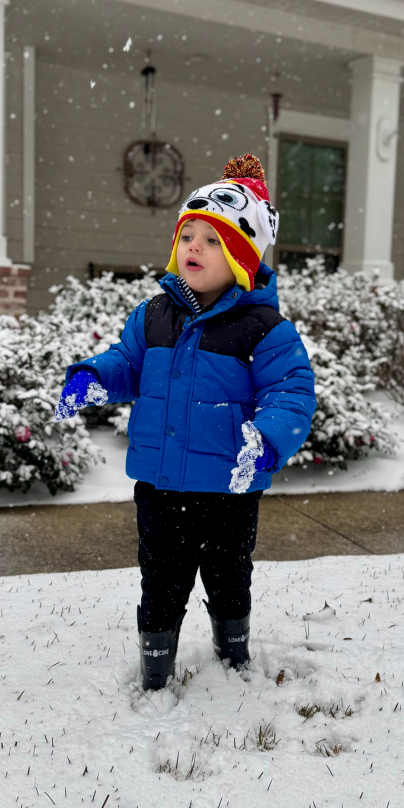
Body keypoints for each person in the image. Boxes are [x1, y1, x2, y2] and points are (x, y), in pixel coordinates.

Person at [55, 155, 316, 691]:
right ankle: (156, 668)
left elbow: (291, 391)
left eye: (213, 240)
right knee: (161, 580)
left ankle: (233, 648)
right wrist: (95, 378)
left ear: (243, 258)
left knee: (228, 577)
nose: (194, 246)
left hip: (230, 486)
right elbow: (127, 363)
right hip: (161, 484)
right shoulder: (152, 315)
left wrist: (267, 440)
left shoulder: (263, 328)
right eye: (188, 235)